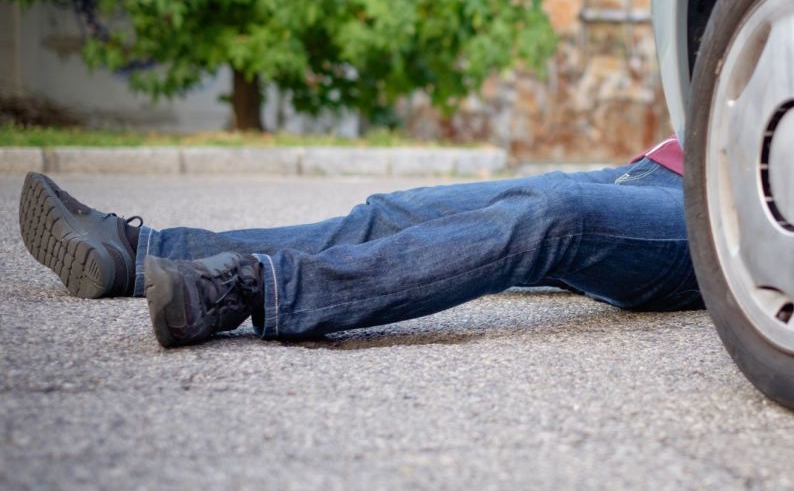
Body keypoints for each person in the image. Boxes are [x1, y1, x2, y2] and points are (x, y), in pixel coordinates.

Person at [18, 137, 701, 347]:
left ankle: (250, 287)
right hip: (648, 172)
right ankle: (135, 256)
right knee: (393, 211)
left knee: (556, 214)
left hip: (722, 223)